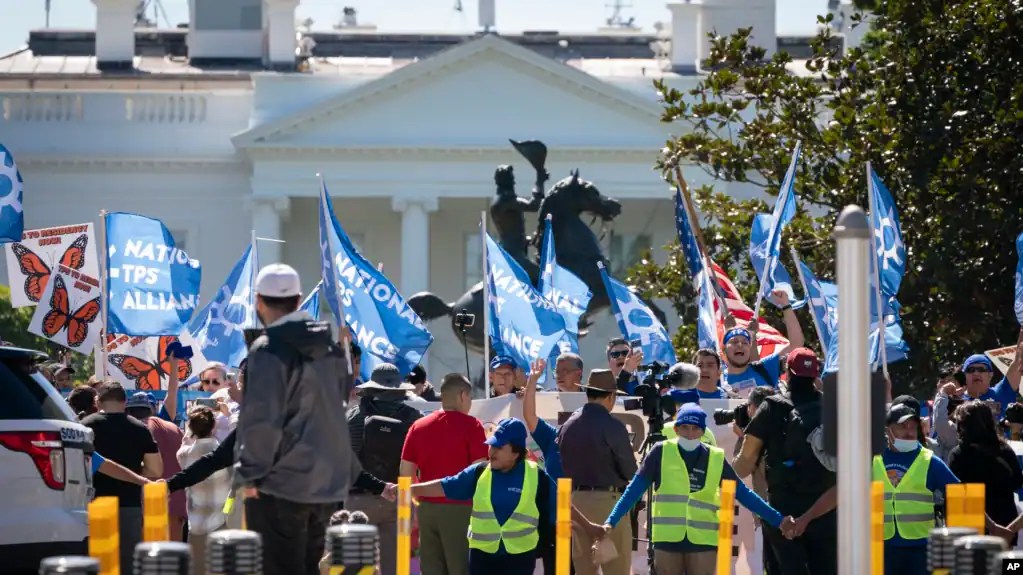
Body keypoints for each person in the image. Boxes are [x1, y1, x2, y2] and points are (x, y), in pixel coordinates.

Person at [235, 263, 362, 575]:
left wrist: (251, 474)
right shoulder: (331, 347)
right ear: (299, 298)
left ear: (258, 301)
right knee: (310, 565)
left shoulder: (268, 348)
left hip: (281, 481)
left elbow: (263, 418)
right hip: (325, 483)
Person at [599, 404, 793, 575]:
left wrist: (778, 520)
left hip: (703, 544)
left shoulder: (716, 457)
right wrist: (611, 521)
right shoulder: (660, 452)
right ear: (676, 429)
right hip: (667, 542)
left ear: (703, 431)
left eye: (695, 429)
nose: (690, 433)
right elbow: (633, 491)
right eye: (685, 428)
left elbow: (744, 494)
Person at [731, 348, 837, 575]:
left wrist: (742, 437)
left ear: (787, 373)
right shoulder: (834, 409)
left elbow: (743, 466)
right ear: (816, 376)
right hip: (827, 511)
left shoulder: (772, 407)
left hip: (782, 514)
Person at [410, 418, 558, 575]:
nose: (491, 451)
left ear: (516, 452)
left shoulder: (537, 476)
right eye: (491, 445)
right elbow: (444, 486)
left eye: (498, 447)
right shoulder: (479, 472)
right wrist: (408, 489)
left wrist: (585, 525)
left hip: (520, 558)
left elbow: (563, 506)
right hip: (482, 558)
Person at [400, 373, 489, 575]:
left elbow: (405, 474)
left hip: (426, 509)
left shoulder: (418, 427)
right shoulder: (472, 426)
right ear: (463, 395)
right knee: (460, 569)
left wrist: (415, 501)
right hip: (461, 510)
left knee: (431, 570)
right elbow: (479, 473)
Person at [557, 369, 636, 575]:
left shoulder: (568, 425)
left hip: (577, 504)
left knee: (584, 570)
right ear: (611, 396)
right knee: (616, 570)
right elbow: (629, 470)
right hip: (610, 504)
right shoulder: (613, 426)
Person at [347, 363, 423, 575]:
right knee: (395, 567)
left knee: (354, 566)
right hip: (399, 499)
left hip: (358, 499)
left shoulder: (354, 417)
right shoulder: (414, 419)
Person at [82, 382, 163, 575]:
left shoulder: (84, 427)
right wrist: (135, 472)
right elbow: (156, 470)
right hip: (129, 504)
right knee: (128, 564)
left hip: (93, 504)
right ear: (125, 401)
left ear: (97, 401)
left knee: (98, 565)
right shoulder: (140, 429)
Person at [873, 402, 960, 574]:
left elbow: (962, 496)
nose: (909, 432)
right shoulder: (874, 458)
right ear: (887, 430)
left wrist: (990, 526)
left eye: (912, 427)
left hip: (921, 547)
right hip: (884, 546)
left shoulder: (929, 460)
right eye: (902, 426)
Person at [947, 400, 1023, 544]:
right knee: (1009, 566)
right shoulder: (1005, 451)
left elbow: (960, 497)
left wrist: (992, 527)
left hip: (969, 532)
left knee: (976, 567)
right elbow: (1017, 482)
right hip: (1005, 527)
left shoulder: (958, 455)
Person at [176, 406, 231, 575]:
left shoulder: (184, 455)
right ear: (214, 426)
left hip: (196, 526)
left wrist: (189, 431)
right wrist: (227, 416)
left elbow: (184, 444)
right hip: (221, 523)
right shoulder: (225, 454)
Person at [719, 289, 805, 397]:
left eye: (745, 342)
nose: (740, 345)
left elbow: (796, 343)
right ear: (724, 350)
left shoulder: (765, 368)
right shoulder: (718, 380)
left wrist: (785, 305)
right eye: (734, 342)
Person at [126, 391, 187, 541]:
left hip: (149, 502)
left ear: (127, 411)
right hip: (177, 499)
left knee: (151, 557)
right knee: (174, 555)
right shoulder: (173, 428)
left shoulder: (135, 430)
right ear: (152, 409)